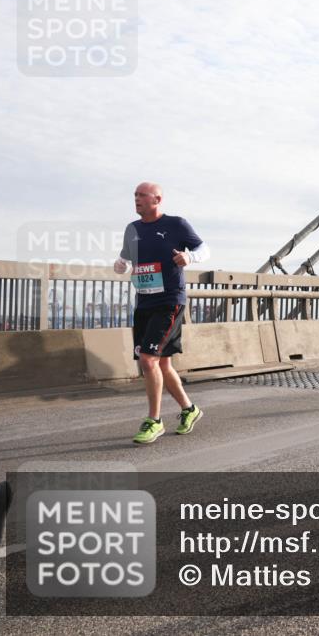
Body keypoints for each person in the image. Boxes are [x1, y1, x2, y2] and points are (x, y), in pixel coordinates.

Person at [114, 182, 208, 444]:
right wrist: (120, 264)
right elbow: (124, 260)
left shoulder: (176, 224)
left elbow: (204, 249)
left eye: (142, 195)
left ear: (157, 199)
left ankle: (154, 420)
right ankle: (190, 409)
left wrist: (190, 258)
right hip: (144, 302)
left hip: (169, 301)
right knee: (161, 362)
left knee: (147, 359)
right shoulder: (131, 230)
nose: (137, 199)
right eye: (135, 195)